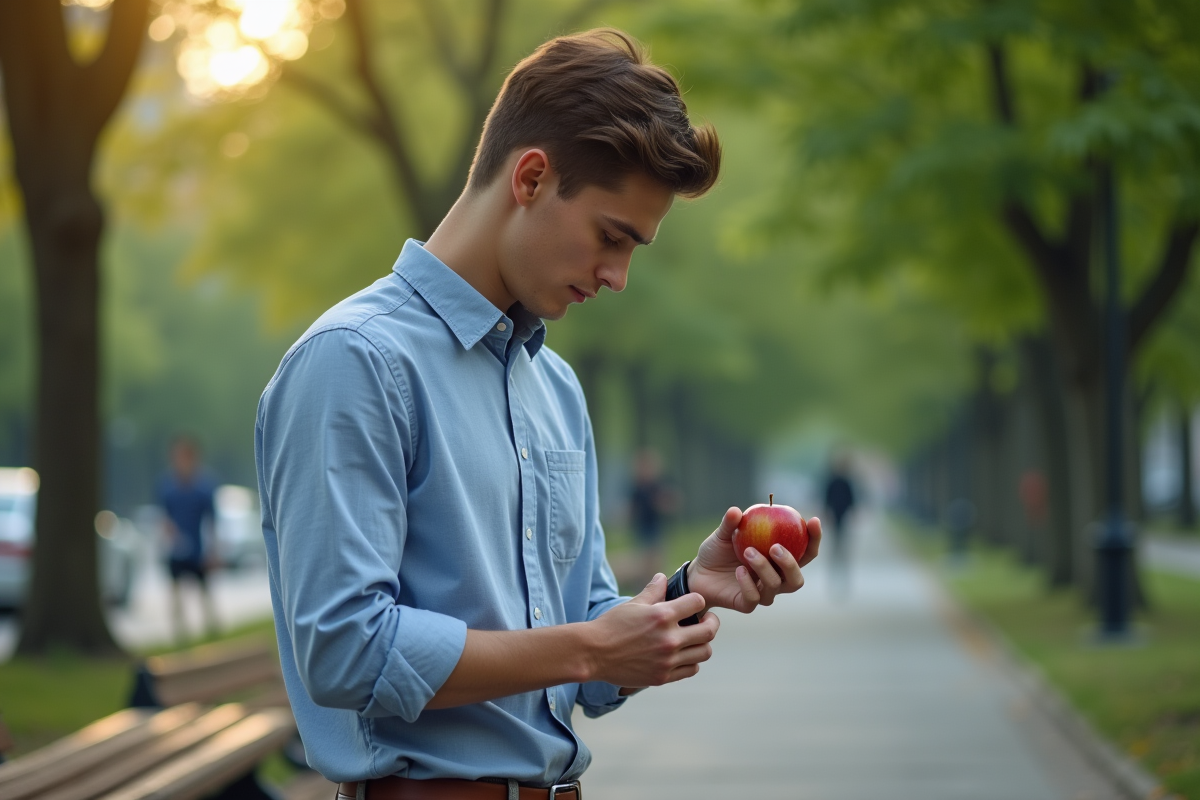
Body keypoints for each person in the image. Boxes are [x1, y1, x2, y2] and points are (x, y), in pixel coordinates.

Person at [256, 29, 823, 799]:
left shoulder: (553, 386)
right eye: (610, 237)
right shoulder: (354, 362)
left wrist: (691, 592)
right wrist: (588, 649)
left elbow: (582, 644)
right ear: (530, 178)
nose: (619, 277)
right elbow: (346, 651)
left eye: (635, 250)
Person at [157, 435, 219, 642]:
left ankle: (211, 628)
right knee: (175, 592)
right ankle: (179, 632)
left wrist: (212, 549)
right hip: (176, 548)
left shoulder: (204, 486)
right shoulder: (167, 486)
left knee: (204, 591)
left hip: (198, 548)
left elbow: (212, 520)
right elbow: (163, 516)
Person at [628, 448, 674, 586]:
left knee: (656, 557)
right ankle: (644, 585)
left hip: (655, 527)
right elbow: (632, 507)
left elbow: (669, 501)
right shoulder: (637, 488)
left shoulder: (657, 486)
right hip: (642, 527)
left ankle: (658, 584)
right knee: (643, 558)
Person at [823, 452, 856, 597]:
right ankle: (836, 580)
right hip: (837, 518)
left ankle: (841, 580)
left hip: (841, 518)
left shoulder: (842, 481)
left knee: (840, 550)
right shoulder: (836, 481)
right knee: (837, 550)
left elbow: (851, 501)